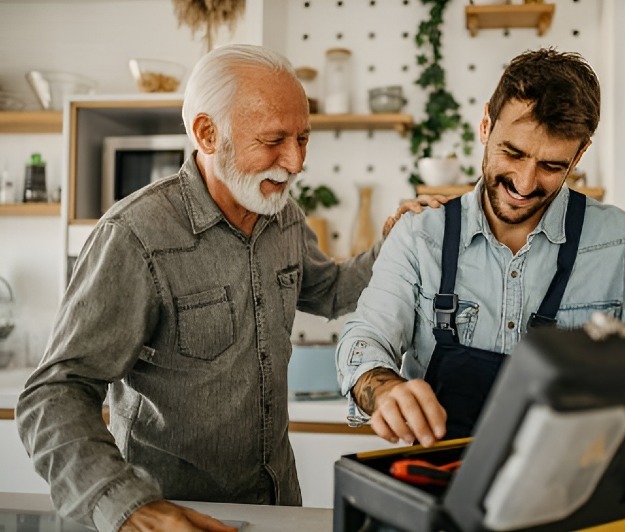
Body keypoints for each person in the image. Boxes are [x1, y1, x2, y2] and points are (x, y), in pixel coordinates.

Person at [15, 44, 438, 532]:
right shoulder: (134, 236)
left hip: (276, 506)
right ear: (207, 133)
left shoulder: (284, 217)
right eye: (275, 139)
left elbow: (330, 290)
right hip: (172, 514)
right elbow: (54, 393)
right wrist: (128, 507)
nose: (296, 161)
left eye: (303, 138)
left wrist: (393, 245)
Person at [336, 48, 625, 448]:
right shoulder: (420, 236)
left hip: (574, 492)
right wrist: (384, 388)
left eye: (552, 166)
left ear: (580, 154)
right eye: (514, 153)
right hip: (438, 487)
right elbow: (364, 338)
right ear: (486, 125)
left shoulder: (623, 244)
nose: (525, 184)